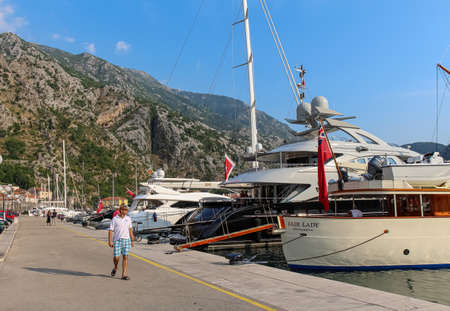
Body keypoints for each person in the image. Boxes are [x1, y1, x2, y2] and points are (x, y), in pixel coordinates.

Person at [108, 205, 134, 280]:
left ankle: (123, 274)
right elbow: (110, 230)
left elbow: (130, 229)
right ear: (120, 210)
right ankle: (115, 267)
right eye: (124, 209)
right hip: (117, 240)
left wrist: (132, 240)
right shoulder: (115, 219)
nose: (125, 211)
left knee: (125, 256)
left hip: (126, 240)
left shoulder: (128, 218)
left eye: (126, 210)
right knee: (116, 257)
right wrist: (110, 241)